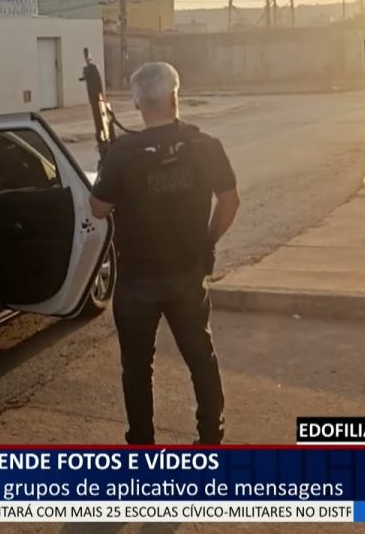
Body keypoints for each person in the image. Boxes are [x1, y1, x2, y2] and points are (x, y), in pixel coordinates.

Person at [89, 62, 241, 445]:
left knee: (137, 368)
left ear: (137, 103)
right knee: (201, 357)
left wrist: (106, 167)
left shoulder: (123, 153)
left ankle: (142, 443)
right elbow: (230, 201)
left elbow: (98, 208)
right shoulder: (205, 145)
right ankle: (211, 435)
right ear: (175, 95)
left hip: (137, 280)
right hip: (188, 273)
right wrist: (207, 241)